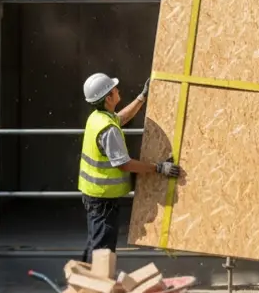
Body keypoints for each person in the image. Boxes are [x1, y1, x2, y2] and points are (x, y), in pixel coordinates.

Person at [78, 72, 182, 262]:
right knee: (103, 250)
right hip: (103, 199)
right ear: (108, 97)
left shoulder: (98, 117)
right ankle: (98, 287)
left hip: (94, 194)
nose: (117, 90)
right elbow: (124, 164)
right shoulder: (108, 129)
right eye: (114, 88)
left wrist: (141, 98)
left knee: (96, 243)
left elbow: (121, 118)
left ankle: (85, 282)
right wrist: (159, 168)